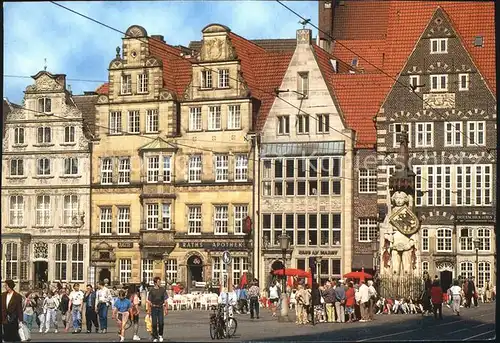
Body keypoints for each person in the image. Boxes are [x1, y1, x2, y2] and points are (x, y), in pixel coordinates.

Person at [147, 276, 168, 343]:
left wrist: (166, 308)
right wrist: (149, 311)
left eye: (160, 281)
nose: (160, 283)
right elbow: (149, 301)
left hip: (160, 307)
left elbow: (165, 299)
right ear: (155, 283)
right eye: (159, 282)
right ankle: (155, 337)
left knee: (161, 322)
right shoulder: (152, 290)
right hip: (153, 308)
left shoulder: (162, 290)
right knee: (154, 323)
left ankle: (160, 335)